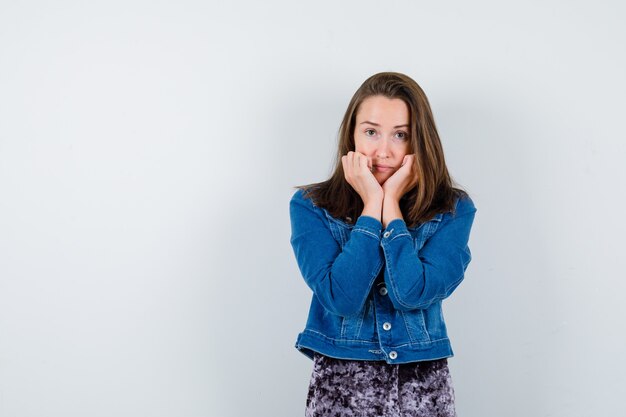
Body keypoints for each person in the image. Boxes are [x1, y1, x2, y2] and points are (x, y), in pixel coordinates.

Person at [289, 72, 477, 417]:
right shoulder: (311, 206)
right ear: (352, 135)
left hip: (421, 385)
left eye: (400, 135)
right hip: (340, 385)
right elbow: (341, 298)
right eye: (371, 132)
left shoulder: (453, 210)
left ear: (419, 142)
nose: (383, 151)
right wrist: (370, 210)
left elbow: (412, 293)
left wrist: (390, 206)